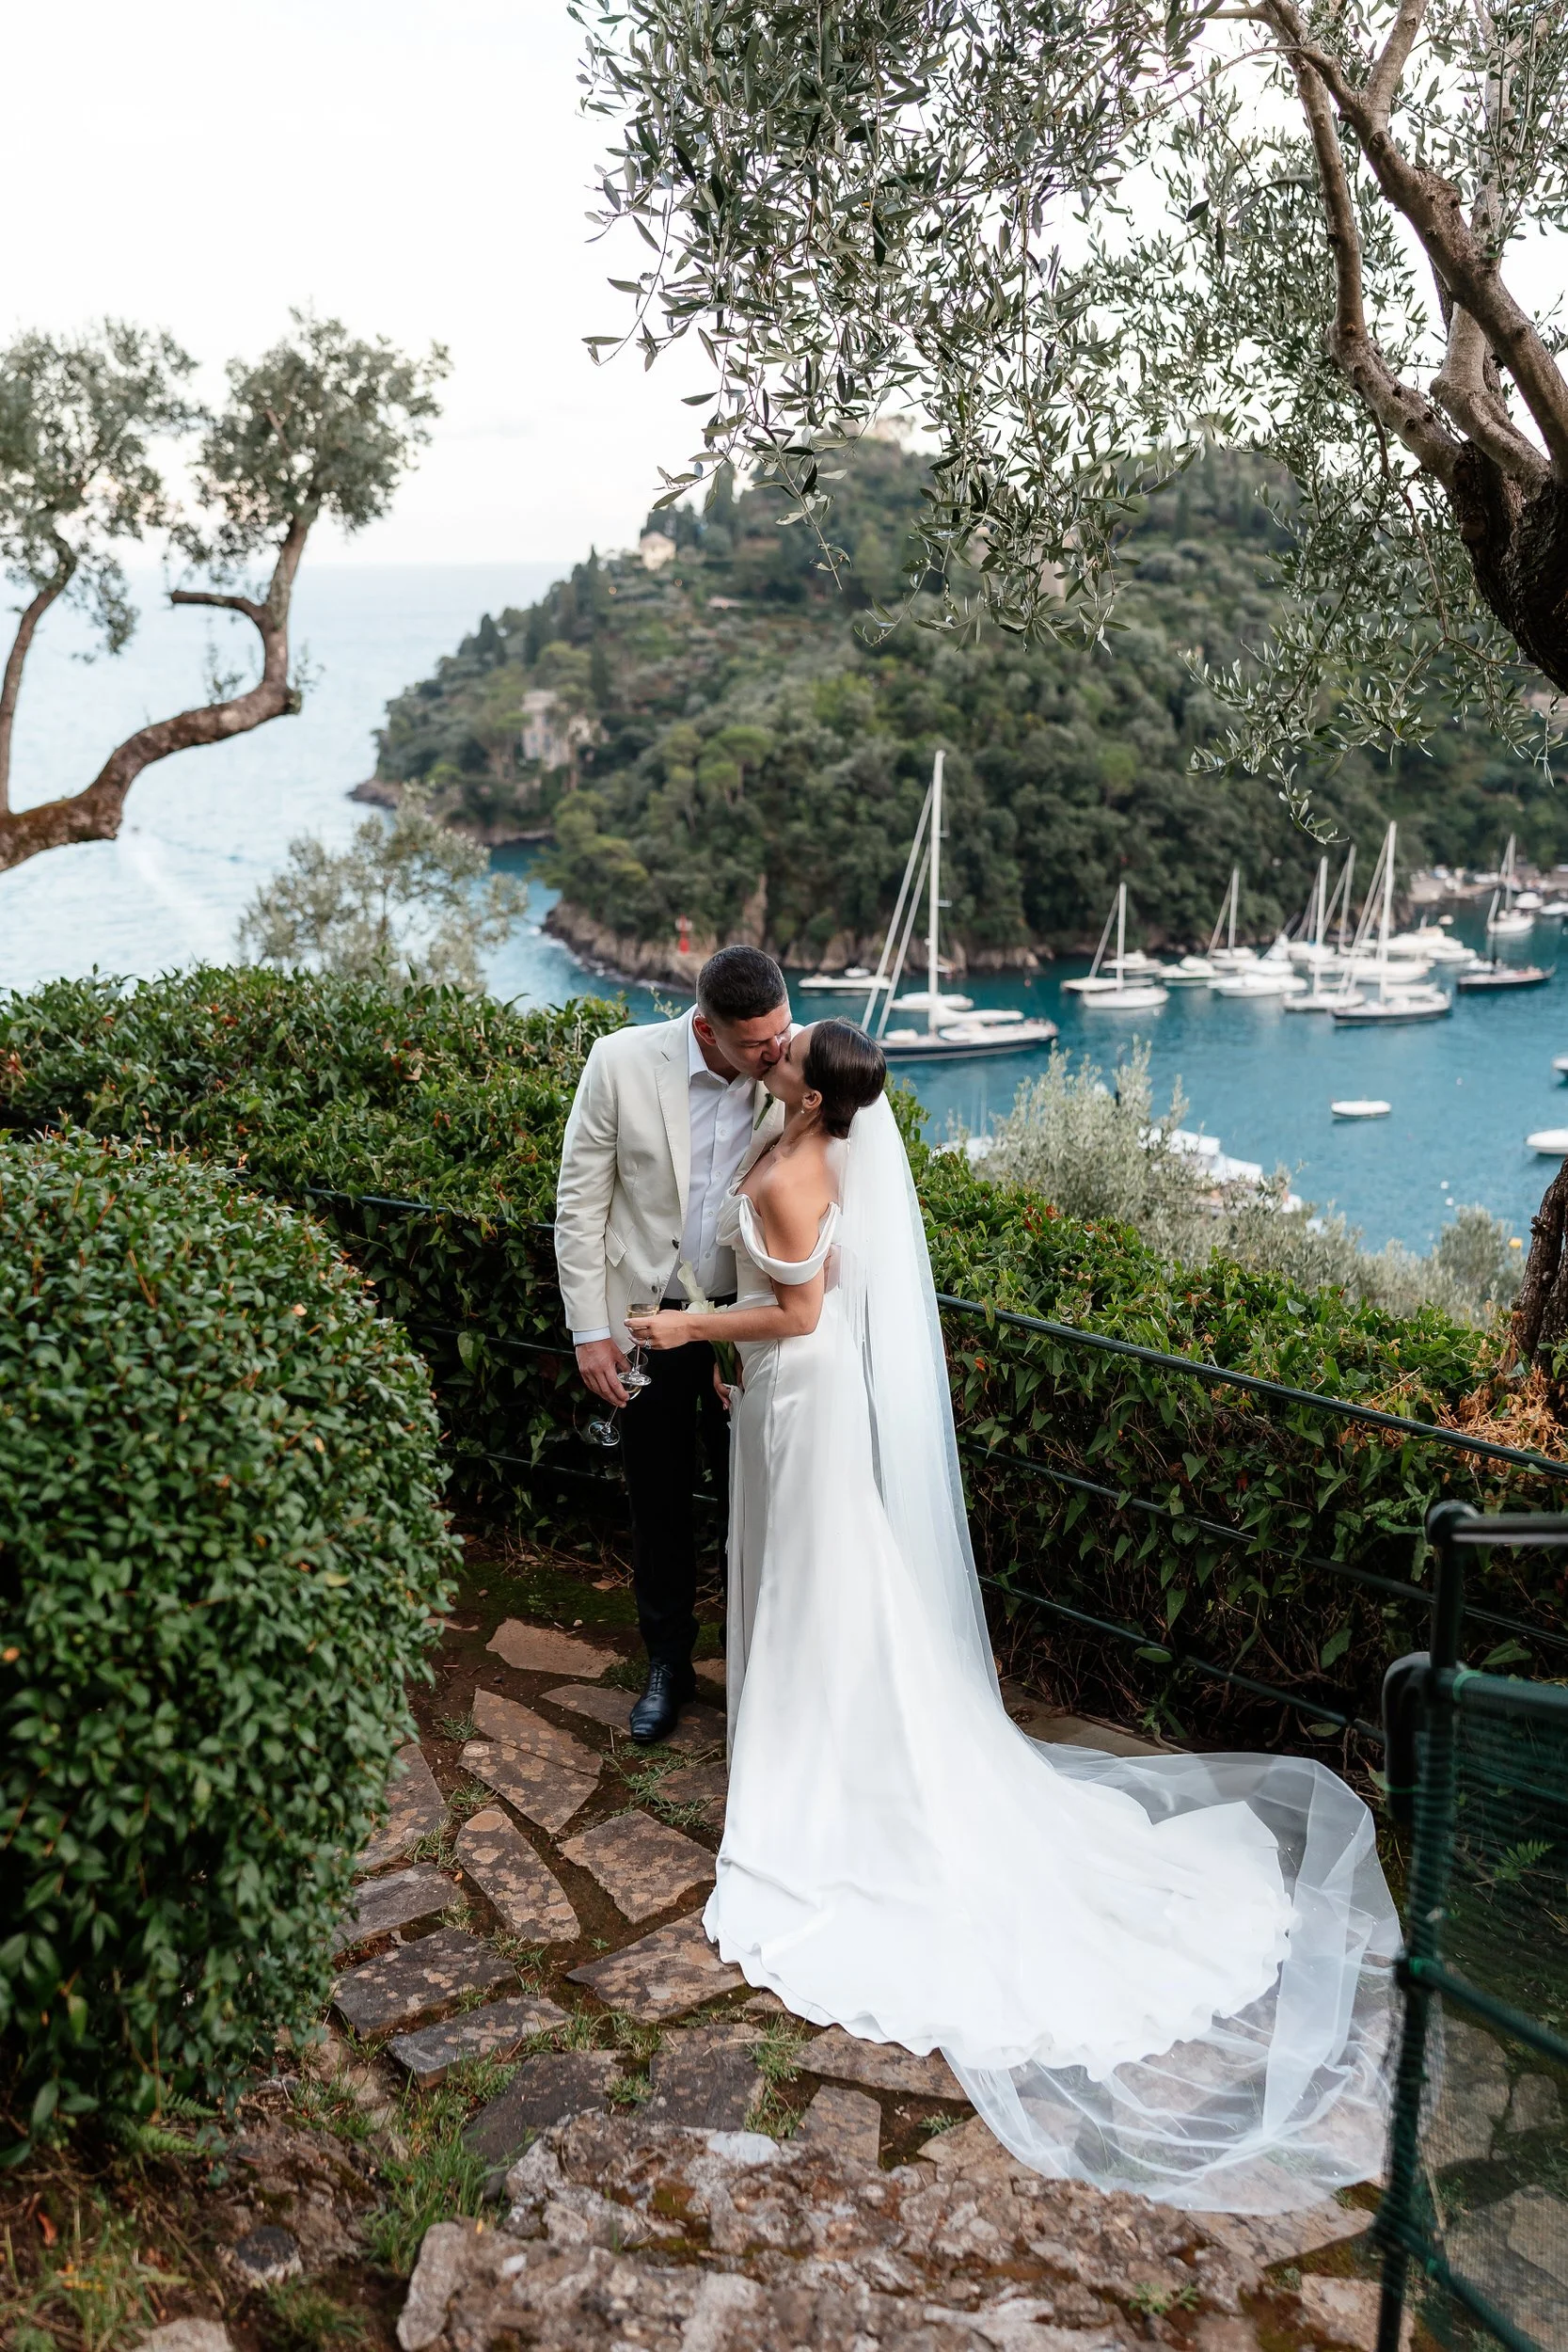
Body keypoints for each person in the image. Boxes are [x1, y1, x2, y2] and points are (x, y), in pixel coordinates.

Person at [626, 1020, 1399, 2215]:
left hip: (801, 1393)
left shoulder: (790, 1169)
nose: (772, 1054)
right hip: (784, 1399)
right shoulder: (798, 1141)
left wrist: (686, 1330)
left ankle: (824, 1766)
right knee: (823, 1577)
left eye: (788, 1054)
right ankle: (813, 1733)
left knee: (825, 1582)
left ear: (815, 1095)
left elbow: (802, 1317)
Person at [554, 946, 790, 1742]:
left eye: (779, 1032)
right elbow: (580, 1204)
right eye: (754, 1044)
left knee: (750, 1505)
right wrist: (593, 1331)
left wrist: (741, 1339)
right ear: (705, 1029)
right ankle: (667, 1664)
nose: (773, 1053)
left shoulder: (789, 1074)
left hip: (744, 1326)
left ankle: (757, 1670)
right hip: (643, 1324)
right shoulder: (619, 1063)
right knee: (654, 1500)